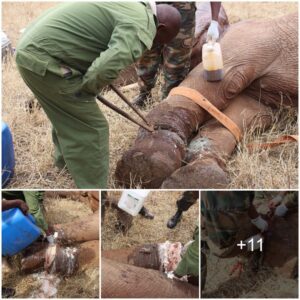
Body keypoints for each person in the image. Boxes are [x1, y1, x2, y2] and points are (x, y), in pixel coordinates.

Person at [16, 2, 181, 189]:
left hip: (33, 50)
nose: (156, 44)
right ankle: (94, 187)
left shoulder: (133, 6)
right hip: (43, 59)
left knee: (69, 113)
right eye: (160, 40)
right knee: (92, 127)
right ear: (161, 27)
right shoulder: (142, 25)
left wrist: (90, 80)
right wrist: (87, 90)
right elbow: (107, 66)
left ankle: (65, 165)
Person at [133, 2, 221, 108]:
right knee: (145, 56)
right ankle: (144, 94)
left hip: (183, 12)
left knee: (177, 62)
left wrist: (214, 21)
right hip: (149, 8)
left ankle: (170, 100)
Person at [201, 191, 269, 291]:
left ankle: (243, 255)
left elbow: (248, 203)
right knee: (258, 237)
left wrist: (256, 219)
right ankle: (247, 256)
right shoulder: (239, 195)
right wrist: (247, 245)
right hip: (226, 246)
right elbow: (248, 205)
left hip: (212, 240)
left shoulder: (203, 195)